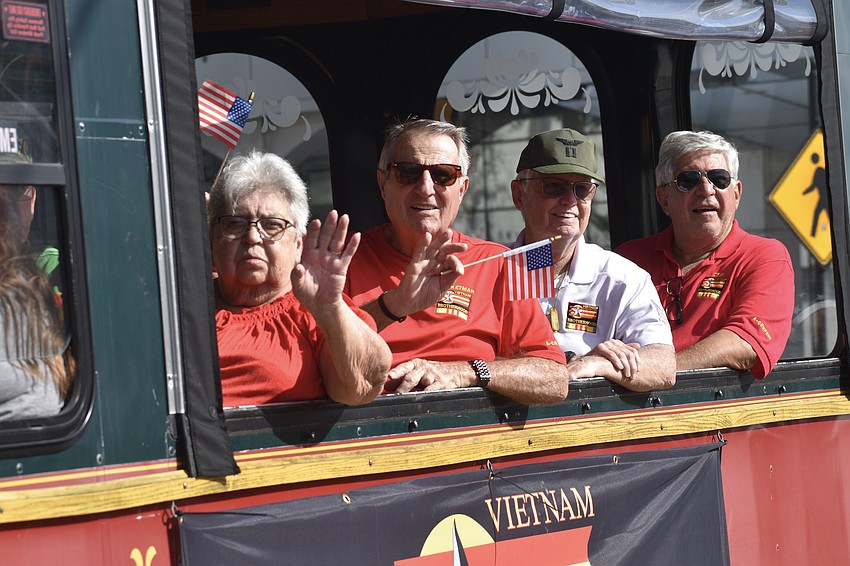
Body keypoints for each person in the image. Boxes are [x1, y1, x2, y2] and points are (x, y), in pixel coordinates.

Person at [344, 119, 568, 405]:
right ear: (382, 183)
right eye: (408, 173)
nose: (425, 188)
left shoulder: (498, 263)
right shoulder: (343, 258)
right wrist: (393, 305)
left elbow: (553, 378)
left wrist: (467, 371)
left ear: (462, 188)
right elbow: (317, 357)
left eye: (443, 174)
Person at [209, 149, 391, 407]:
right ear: (212, 240)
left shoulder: (315, 309)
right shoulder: (183, 308)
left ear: (298, 245)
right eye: (235, 224)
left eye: (271, 225)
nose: (252, 237)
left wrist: (330, 307)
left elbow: (362, 387)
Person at [616, 130, 794, 378]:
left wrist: (656, 371)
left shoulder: (765, 257)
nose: (706, 189)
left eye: (719, 179)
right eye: (688, 180)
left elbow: (744, 344)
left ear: (736, 193)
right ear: (664, 198)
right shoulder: (627, 259)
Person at [510, 128, 676, 392]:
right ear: (519, 195)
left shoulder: (622, 277)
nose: (570, 201)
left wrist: (601, 365)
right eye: (554, 186)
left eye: (582, 189)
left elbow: (663, 366)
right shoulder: (491, 271)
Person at [0, 182, 73, 420]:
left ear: (33, 199)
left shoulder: (63, 267)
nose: (10, 206)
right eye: (2, 192)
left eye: (19, 190)